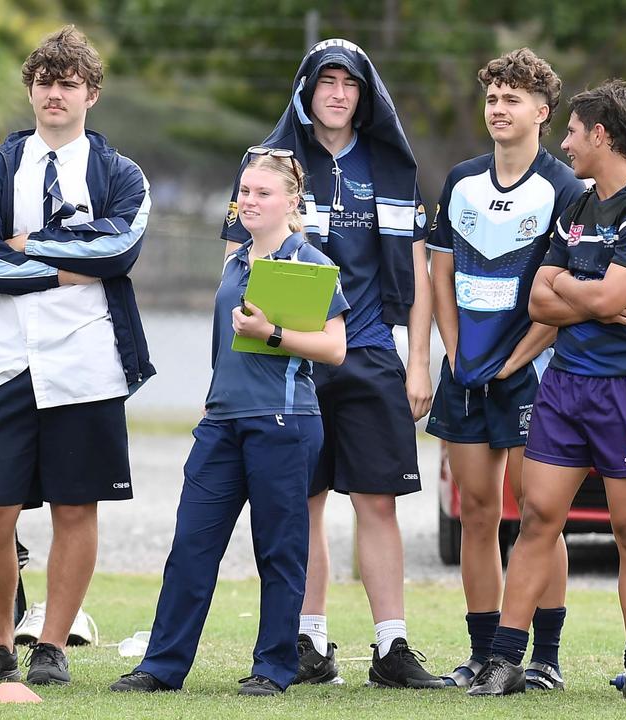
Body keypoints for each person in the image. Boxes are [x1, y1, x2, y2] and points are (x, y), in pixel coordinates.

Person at [220, 38, 439, 688]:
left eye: (350, 83)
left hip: (370, 352)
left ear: (364, 95)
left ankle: (391, 648)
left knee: (377, 503)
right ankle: (308, 642)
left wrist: (418, 362)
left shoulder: (392, 165)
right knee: (301, 502)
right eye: (326, 82)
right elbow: (236, 261)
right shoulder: (271, 165)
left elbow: (421, 275)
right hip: (292, 363)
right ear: (305, 91)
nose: (338, 93)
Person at [0, 26, 153, 686]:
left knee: (74, 507)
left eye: (68, 83)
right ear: (31, 91)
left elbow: (117, 252)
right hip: (5, 358)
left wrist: (26, 245)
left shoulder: (120, 175)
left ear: (91, 93)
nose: (54, 93)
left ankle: (52, 645)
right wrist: (62, 263)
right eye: (44, 82)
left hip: (88, 359)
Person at [467, 80, 626, 701]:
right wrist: (593, 301)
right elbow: (538, 294)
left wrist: (577, 294)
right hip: (565, 385)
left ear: (602, 135)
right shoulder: (581, 208)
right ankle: (506, 660)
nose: (565, 142)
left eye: (572, 131)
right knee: (536, 517)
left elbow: (608, 296)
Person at [110, 150, 348, 697]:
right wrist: (213, 398)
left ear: (292, 202)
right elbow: (225, 345)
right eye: (244, 190)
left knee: (279, 550)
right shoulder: (236, 261)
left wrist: (273, 335)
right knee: (191, 545)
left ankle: (273, 668)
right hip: (222, 422)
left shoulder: (307, 261)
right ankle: (162, 666)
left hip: (283, 423)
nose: (250, 200)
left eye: (264, 192)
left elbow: (335, 349)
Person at [425, 48, 582, 691]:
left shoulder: (565, 189)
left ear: (542, 112)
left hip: (531, 373)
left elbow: (567, 294)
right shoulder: (461, 180)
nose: (498, 108)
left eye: (512, 98)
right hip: (466, 373)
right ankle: (483, 650)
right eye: (492, 97)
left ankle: (542, 656)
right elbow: (440, 271)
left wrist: (517, 359)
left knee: (540, 517)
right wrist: (456, 351)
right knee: (477, 512)